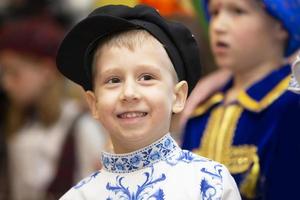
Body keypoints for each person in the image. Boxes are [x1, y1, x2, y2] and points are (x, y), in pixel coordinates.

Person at [56, 4, 241, 199]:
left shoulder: (210, 183)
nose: (129, 93)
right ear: (94, 103)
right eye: (113, 80)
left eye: (146, 77)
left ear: (178, 96)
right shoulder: (79, 196)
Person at [181, 0, 300, 199]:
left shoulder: (291, 106)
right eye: (215, 13)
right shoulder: (199, 112)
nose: (218, 26)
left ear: (281, 25)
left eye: (237, 11)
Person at [0, 17, 107, 200]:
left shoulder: (80, 125)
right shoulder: (18, 124)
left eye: (14, 72)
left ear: (46, 71)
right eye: (3, 73)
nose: (5, 84)